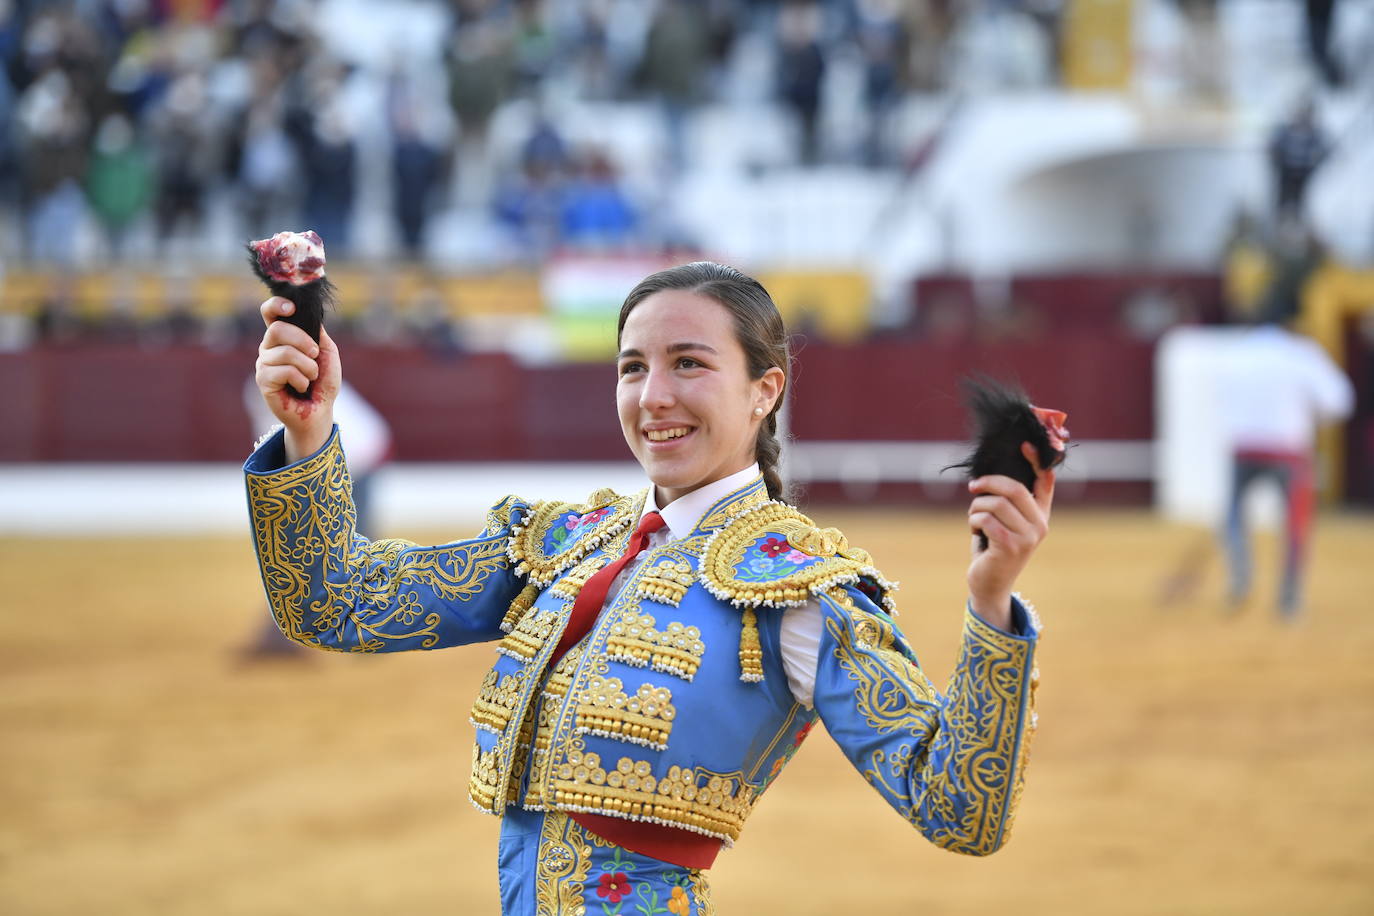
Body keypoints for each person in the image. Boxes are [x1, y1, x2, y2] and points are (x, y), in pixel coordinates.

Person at [243, 261, 1052, 913]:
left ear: (764, 390)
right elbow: (336, 602)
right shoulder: (564, 544)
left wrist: (991, 607)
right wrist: (307, 434)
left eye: (689, 364)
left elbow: (959, 809)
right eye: (634, 367)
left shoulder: (798, 589)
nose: (654, 396)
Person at [1216, 312, 1353, 618]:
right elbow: (1339, 402)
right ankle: (1289, 599)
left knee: (1234, 515)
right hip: (1288, 450)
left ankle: (1240, 575)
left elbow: (1221, 399)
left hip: (1243, 447)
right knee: (1295, 523)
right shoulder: (1301, 353)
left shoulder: (1237, 354)